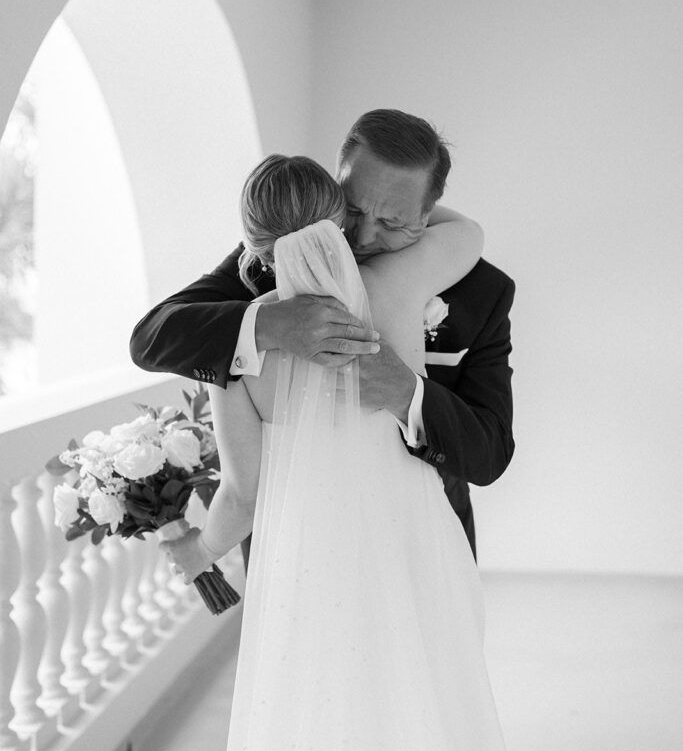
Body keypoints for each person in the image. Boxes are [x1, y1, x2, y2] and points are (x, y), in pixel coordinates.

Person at [161, 154, 515, 751]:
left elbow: (244, 494)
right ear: (339, 217)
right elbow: (470, 234)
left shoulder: (237, 346)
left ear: (250, 242)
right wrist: (408, 212)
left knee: (320, 719)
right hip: (414, 541)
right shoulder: (396, 288)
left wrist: (198, 551)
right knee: (426, 712)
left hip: (308, 557)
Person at [129, 109, 516, 564]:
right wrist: (269, 324)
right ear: (335, 185)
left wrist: (407, 393)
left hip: (424, 552)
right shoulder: (266, 259)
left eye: (393, 223)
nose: (365, 235)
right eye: (353, 210)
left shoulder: (483, 292)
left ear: (427, 213)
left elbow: (488, 454)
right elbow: (151, 337)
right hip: (293, 556)